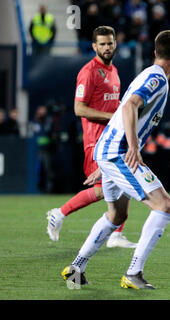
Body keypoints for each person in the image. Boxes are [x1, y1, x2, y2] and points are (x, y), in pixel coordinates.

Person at [61, 30, 170, 289]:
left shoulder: (149, 74)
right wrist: (132, 147)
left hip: (110, 152)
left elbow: (119, 111)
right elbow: (129, 106)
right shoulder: (156, 78)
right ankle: (133, 273)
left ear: (155, 52)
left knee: (117, 215)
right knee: (164, 206)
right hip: (119, 152)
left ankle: (75, 269)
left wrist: (103, 161)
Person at [46, 26, 136, 248]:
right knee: (102, 190)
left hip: (113, 140)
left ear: (115, 44)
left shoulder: (114, 72)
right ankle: (60, 213)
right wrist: (112, 117)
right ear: (94, 46)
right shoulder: (88, 72)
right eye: (102, 44)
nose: (107, 47)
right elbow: (79, 109)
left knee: (124, 183)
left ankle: (114, 234)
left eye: (110, 43)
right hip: (95, 141)